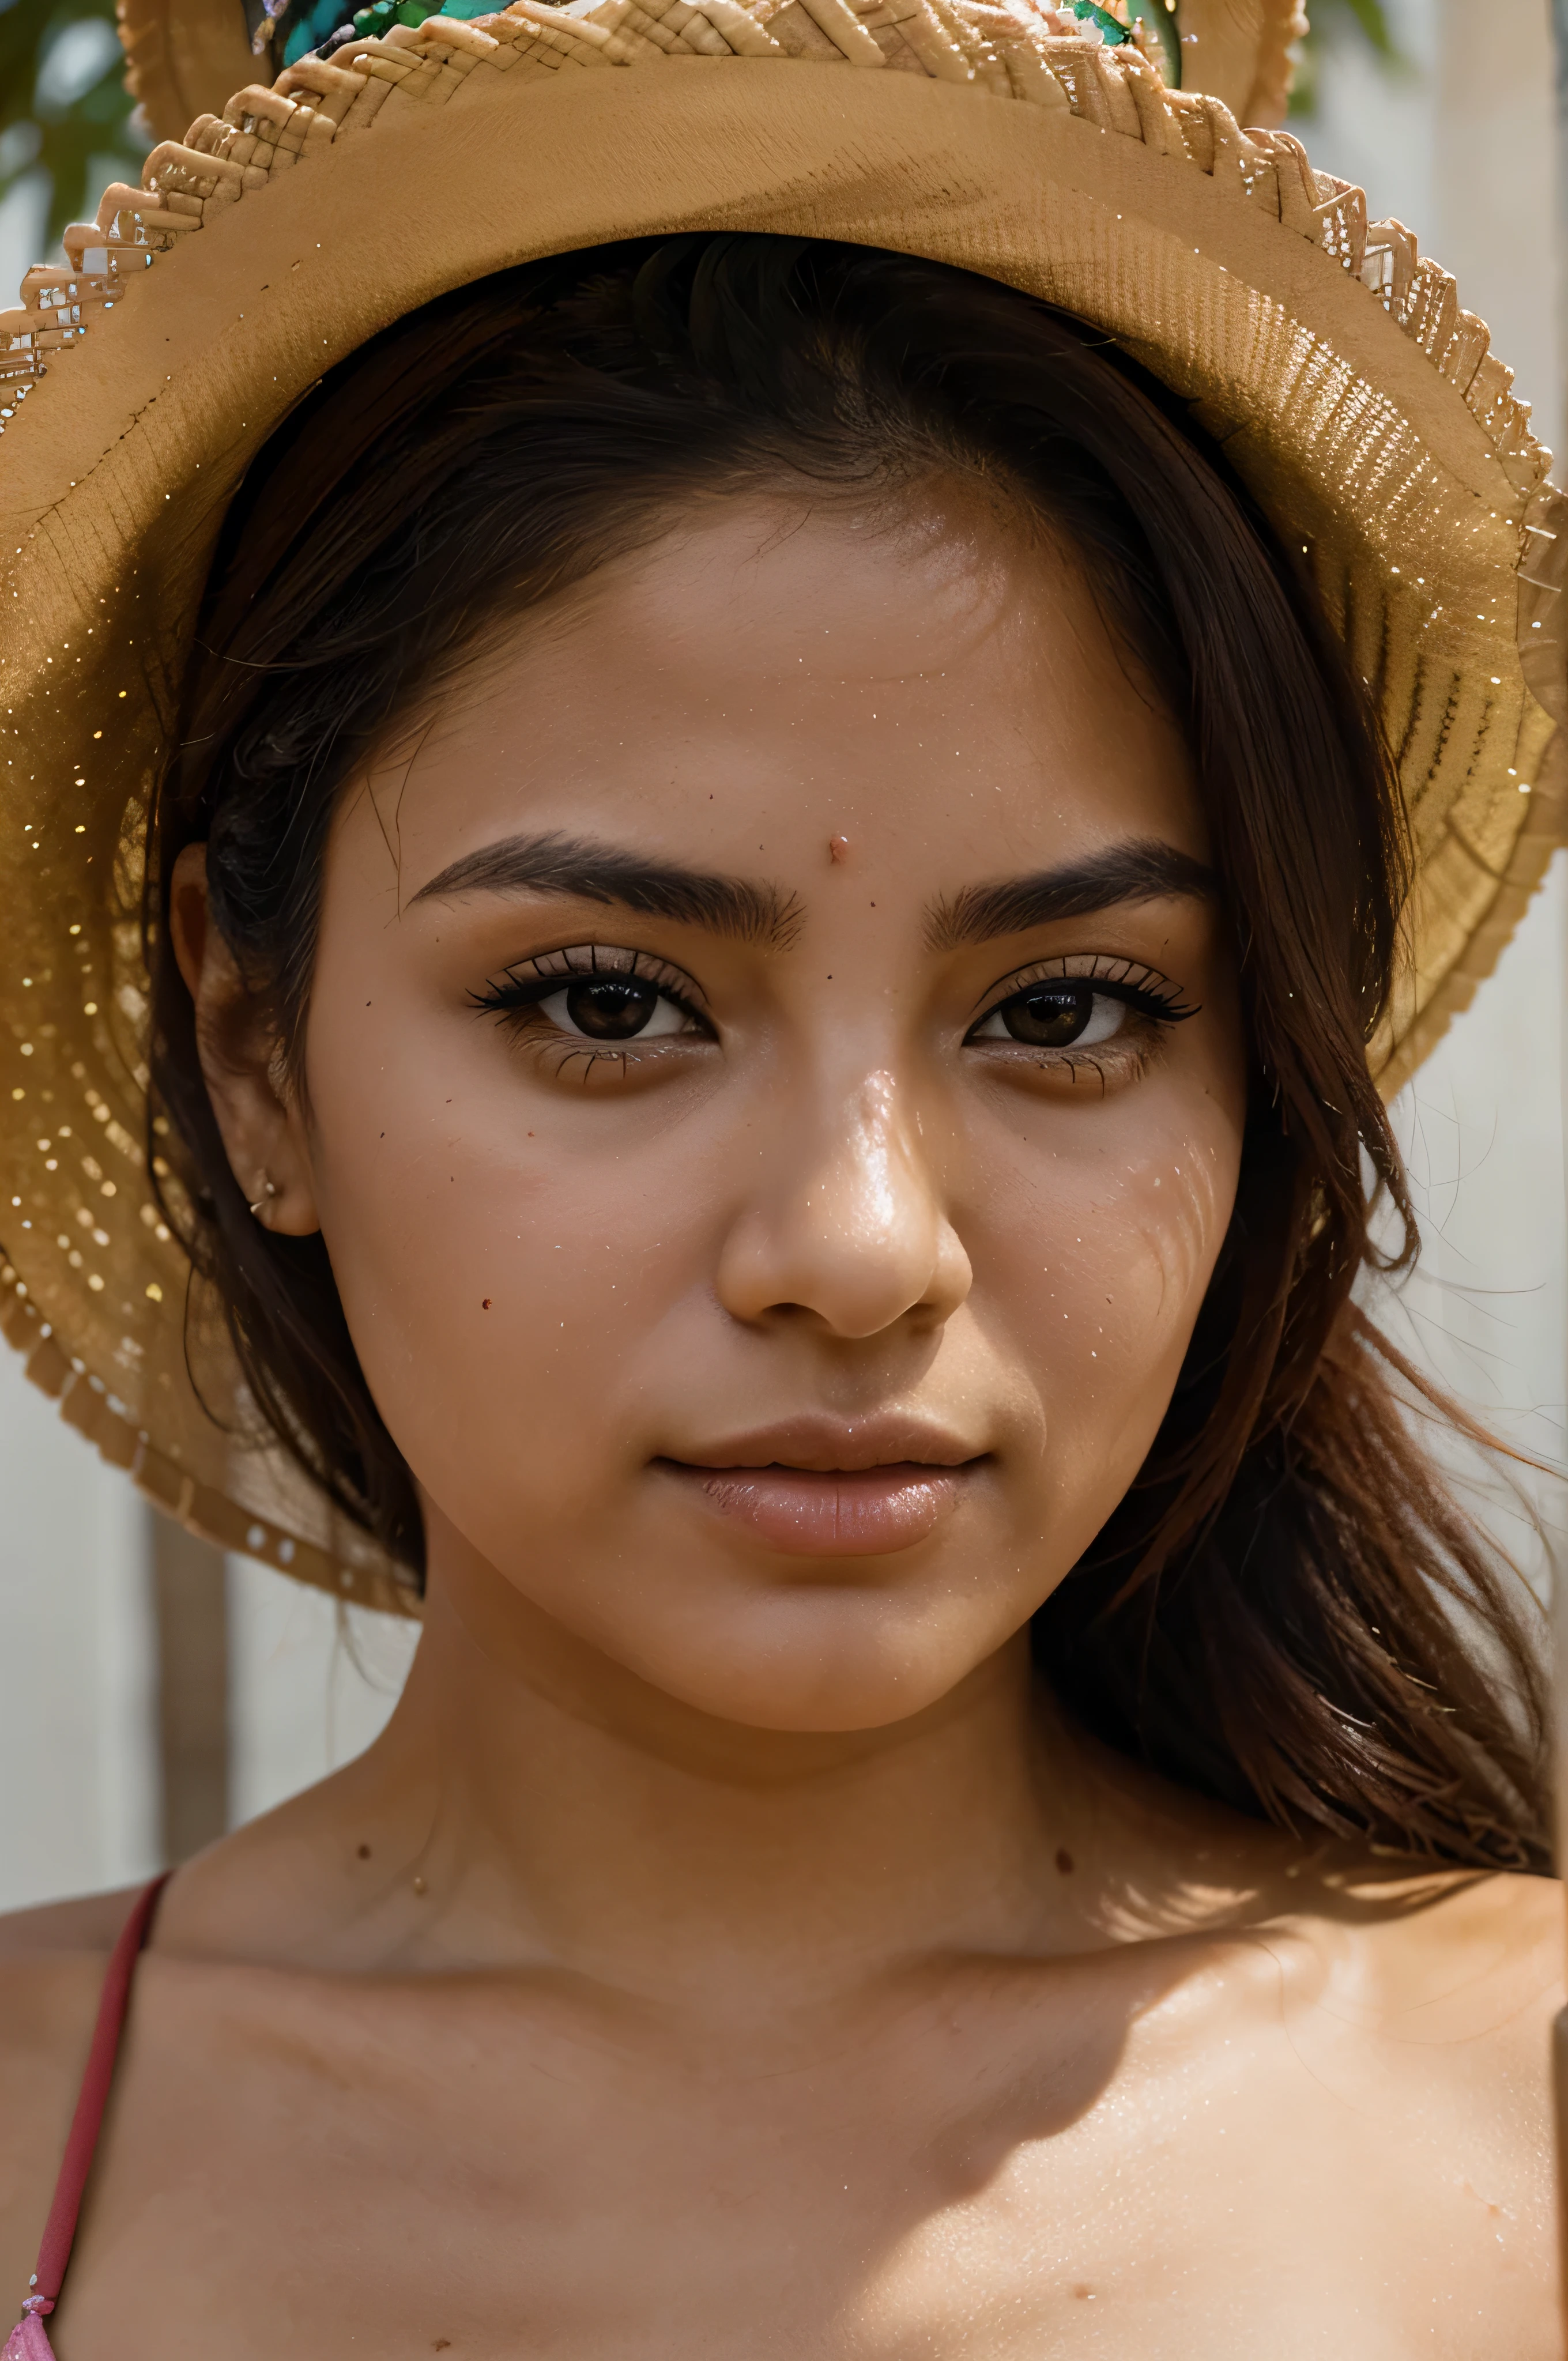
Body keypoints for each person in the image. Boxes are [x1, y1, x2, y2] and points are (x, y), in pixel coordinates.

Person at [0, 1, 1561, 2351]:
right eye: (608, 1003)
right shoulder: (38, 2140)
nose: (857, 1248)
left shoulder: (1515, 2127)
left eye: (1061, 1010)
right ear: (255, 1050)